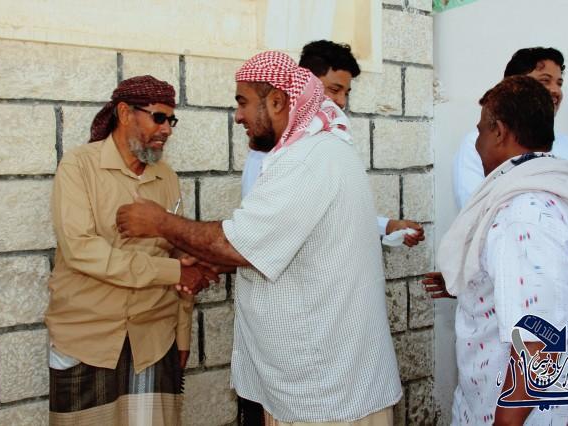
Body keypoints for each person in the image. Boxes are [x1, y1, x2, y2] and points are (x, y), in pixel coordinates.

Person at [116, 51, 402, 425]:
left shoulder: (306, 160)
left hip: (324, 386)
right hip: (318, 373)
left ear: (278, 102)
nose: (238, 116)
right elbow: (269, 243)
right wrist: (211, 259)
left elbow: (239, 243)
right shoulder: (311, 152)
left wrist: (160, 223)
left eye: (243, 102)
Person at [431, 75, 568, 425]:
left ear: (499, 131)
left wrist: (506, 422)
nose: (478, 143)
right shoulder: (561, 190)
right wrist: (478, 285)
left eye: (481, 131)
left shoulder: (523, 214)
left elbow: (540, 339)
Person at [45, 75, 217, 425]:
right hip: (88, 339)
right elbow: (81, 250)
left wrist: (182, 334)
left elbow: (179, 255)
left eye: (171, 120)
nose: (166, 129)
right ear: (124, 113)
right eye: (159, 117)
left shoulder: (166, 177)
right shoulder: (79, 167)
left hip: (154, 339)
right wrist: (175, 271)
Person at [242, 40, 424, 245]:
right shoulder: (273, 145)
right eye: (334, 90)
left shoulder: (331, 140)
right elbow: (259, 222)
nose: (341, 102)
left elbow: (337, 212)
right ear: (306, 84)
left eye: (346, 93)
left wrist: (388, 226)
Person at [453, 47, 568, 210]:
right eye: (544, 81)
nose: (556, 90)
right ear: (513, 87)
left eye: (559, 83)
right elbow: (473, 209)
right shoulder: (477, 143)